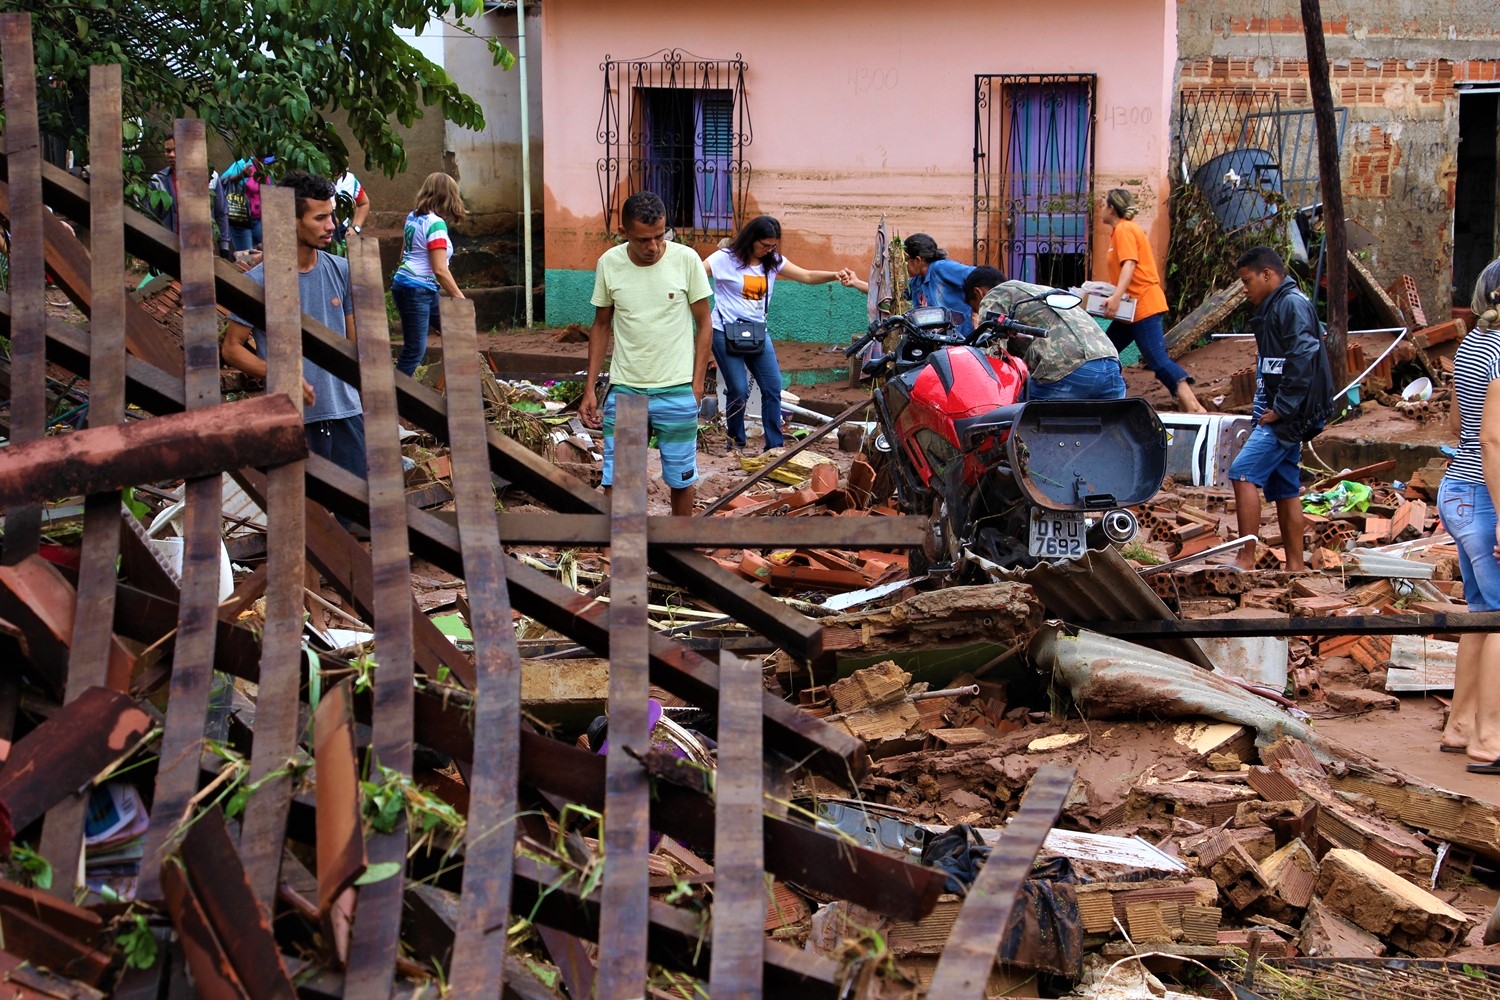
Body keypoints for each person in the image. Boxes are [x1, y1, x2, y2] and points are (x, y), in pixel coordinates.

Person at [220, 171, 365, 482]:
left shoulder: (342, 272)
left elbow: (355, 346)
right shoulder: (258, 282)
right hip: (291, 419)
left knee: (353, 525)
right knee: (300, 519)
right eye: (321, 218)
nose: (332, 226)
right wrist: (278, 373)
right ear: (293, 220)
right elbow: (231, 348)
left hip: (347, 416)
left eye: (333, 216)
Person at [580, 191, 712, 516]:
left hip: (678, 389)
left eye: (659, 235)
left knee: (681, 479)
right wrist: (590, 388)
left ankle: (679, 556)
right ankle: (620, 556)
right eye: (643, 239)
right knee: (620, 481)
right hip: (626, 390)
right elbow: (600, 326)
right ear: (624, 233)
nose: (653, 246)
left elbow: (705, 323)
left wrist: (697, 384)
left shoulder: (686, 260)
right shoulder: (609, 264)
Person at [705, 215, 856, 453]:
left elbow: (805, 275)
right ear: (751, 239)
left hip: (757, 332)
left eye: (773, 246)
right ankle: (735, 441)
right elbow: (696, 273)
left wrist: (834, 275)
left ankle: (774, 446)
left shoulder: (772, 261)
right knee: (739, 389)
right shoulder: (725, 259)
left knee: (773, 387)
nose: (769, 250)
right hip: (724, 331)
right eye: (764, 245)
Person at [1227, 246, 1334, 573]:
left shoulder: (1290, 304)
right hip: (1281, 409)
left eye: (1247, 281)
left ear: (1267, 274)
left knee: (1242, 473)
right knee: (1286, 488)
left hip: (1288, 414)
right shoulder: (1276, 306)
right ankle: (1296, 566)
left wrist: (1282, 407)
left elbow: (1303, 356)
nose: (1245, 290)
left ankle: (1246, 560)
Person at [1437, 257, 1500, 771]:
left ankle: (1460, 725)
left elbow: (1462, 422)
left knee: (1482, 614)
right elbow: (1494, 438)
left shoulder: (1473, 346)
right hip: (1487, 494)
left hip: (1459, 487)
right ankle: (1491, 738)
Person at [1100, 188, 1206, 413]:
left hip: (1142, 306)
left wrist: (1116, 298)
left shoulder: (1124, 229)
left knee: (1157, 360)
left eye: (1103, 204)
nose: (1101, 209)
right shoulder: (1121, 231)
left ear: (1111, 208)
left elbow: (1129, 263)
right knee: (1105, 350)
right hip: (1130, 309)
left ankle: (1194, 406)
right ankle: (1108, 398)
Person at [963, 267, 1126, 401]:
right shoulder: (1038, 291)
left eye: (976, 308)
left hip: (1068, 370)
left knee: (1009, 414)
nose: (979, 312)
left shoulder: (995, 296)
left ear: (979, 293)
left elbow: (992, 356)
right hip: (1111, 366)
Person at [390, 172, 466, 376]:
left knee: (455, 333)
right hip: (417, 289)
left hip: (413, 285)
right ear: (449, 196)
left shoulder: (413, 215)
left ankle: (453, 384)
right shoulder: (435, 224)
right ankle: (395, 399)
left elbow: (404, 251)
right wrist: (460, 299)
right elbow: (440, 270)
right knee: (414, 350)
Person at [146, 136, 233, 260]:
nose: (171, 155)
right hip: (169, 249)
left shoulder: (210, 177)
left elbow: (221, 213)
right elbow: (151, 218)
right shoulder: (158, 181)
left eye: (175, 150)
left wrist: (224, 247)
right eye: (167, 150)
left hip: (201, 249)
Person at [903, 234, 977, 338]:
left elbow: (978, 276)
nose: (904, 265)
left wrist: (974, 307)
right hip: (934, 341)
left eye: (906, 260)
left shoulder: (941, 268)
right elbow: (901, 295)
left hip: (959, 338)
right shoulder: (916, 281)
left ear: (918, 260)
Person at [220, 154, 273, 250]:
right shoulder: (244, 163)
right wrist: (241, 175)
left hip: (259, 219)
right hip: (241, 218)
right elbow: (221, 181)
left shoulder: (270, 170)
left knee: (269, 250)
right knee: (246, 256)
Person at [334, 170, 371, 243]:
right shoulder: (313, 177)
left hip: (341, 234)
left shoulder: (349, 179)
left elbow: (364, 203)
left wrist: (356, 228)